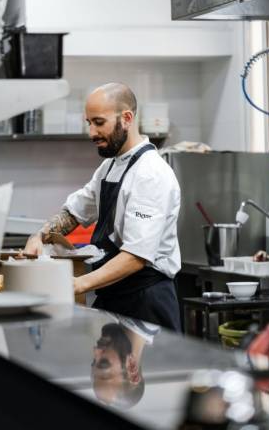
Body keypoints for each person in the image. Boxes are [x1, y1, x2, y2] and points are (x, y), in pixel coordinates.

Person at [24, 82, 181, 331]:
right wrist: (39, 236)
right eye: (89, 123)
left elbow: (136, 257)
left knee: (145, 371)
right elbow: (75, 211)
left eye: (98, 122)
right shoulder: (110, 166)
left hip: (145, 300)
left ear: (127, 118)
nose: (91, 132)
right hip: (115, 296)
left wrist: (78, 285)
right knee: (107, 371)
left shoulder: (150, 173)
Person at [91, 316, 160, 408]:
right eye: (104, 364)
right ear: (132, 368)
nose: (95, 351)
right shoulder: (147, 309)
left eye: (94, 361)